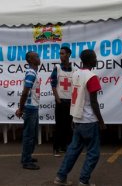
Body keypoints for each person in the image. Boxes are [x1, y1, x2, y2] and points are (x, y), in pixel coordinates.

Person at [53, 49, 106, 186]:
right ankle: (84, 180)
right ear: (90, 60)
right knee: (93, 153)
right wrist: (101, 121)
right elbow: (93, 102)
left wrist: (73, 117)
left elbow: (75, 98)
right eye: (94, 58)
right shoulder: (92, 77)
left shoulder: (75, 73)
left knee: (73, 150)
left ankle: (60, 177)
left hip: (78, 119)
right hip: (89, 120)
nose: (96, 60)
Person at [15, 51, 41, 170]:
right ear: (30, 60)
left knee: (32, 134)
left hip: (33, 107)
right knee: (29, 135)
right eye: (36, 56)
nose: (38, 58)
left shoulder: (34, 72)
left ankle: (27, 156)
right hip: (30, 108)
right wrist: (21, 109)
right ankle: (26, 161)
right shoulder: (31, 73)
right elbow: (25, 92)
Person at [50, 46, 74, 157]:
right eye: (60, 53)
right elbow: (53, 84)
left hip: (70, 102)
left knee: (68, 125)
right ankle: (56, 148)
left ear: (69, 54)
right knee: (59, 125)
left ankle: (66, 147)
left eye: (63, 53)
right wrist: (57, 99)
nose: (61, 55)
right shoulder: (57, 68)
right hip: (60, 101)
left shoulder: (74, 69)